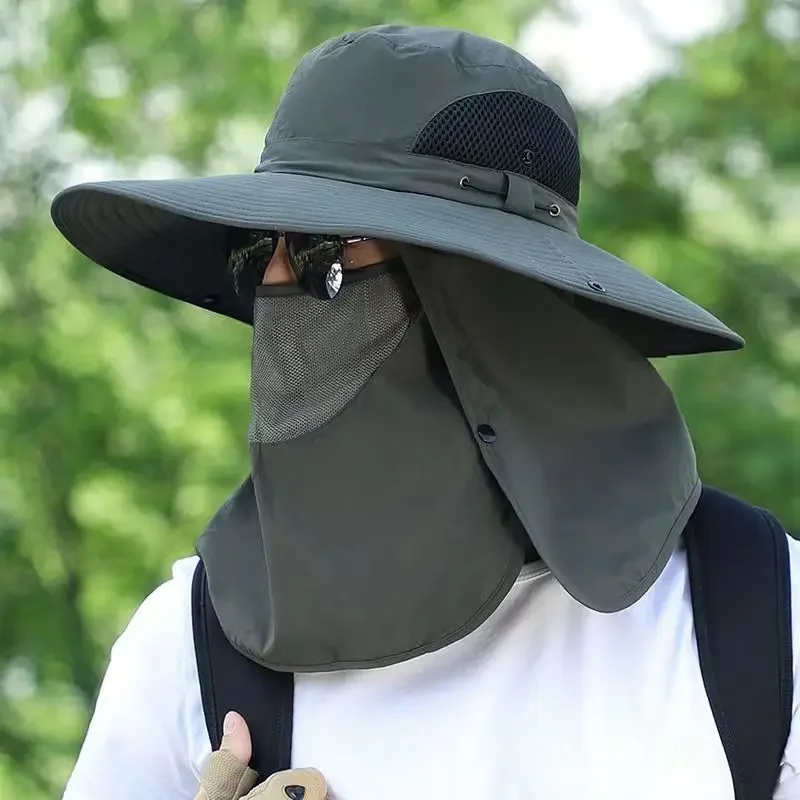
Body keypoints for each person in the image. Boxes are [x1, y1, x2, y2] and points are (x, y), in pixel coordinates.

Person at [50, 24, 799, 800]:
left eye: (319, 256)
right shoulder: (197, 644)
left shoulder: (759, 619)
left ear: (492, 298)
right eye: (256, 253)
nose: (276, 294)